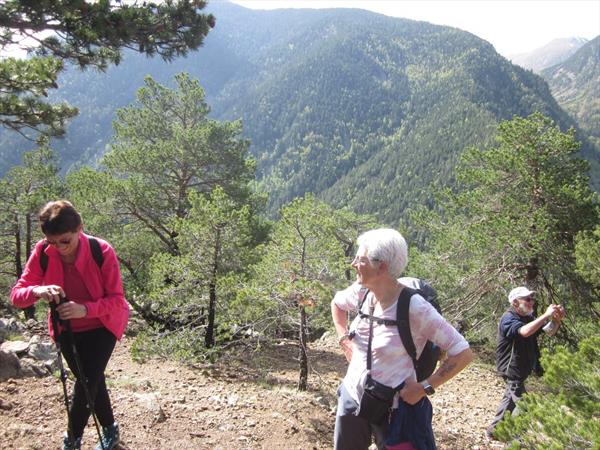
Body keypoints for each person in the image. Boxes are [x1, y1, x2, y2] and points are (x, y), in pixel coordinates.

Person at [331, 228, 474, 450]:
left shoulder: (414, 308)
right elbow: (337, 304)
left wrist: (424, 388)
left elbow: (462, 352)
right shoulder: (362, 292)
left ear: (382, 266)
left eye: (360, 259)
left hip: (394, 407)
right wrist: (344, 340)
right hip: (352, 396)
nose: (353, 264)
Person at [11, 200, 129, 450]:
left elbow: (117, 300)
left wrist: (84, 309)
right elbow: (17, 295)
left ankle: (71, 442)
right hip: (67, 329)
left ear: (79, 228)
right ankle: (110, 431)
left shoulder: (101, 250)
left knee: (86, 381)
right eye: (52, 242)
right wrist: (38, 289)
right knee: (92, 381)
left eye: (65, 241)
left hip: (103, 324)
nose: (59, 248)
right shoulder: (43, 252)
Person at [486, 286, 565, 439]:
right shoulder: (508, 318)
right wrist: (546, 314)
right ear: (515, 302)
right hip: (511, 369)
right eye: (527, 299)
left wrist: (556, 320)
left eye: (532, 299)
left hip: (521, 369)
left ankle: (494, 430)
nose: (531, 302)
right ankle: (515, 440)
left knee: (510, 399)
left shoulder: (528, 318)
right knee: (525, 405)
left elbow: (549, 331)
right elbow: (524, 332)